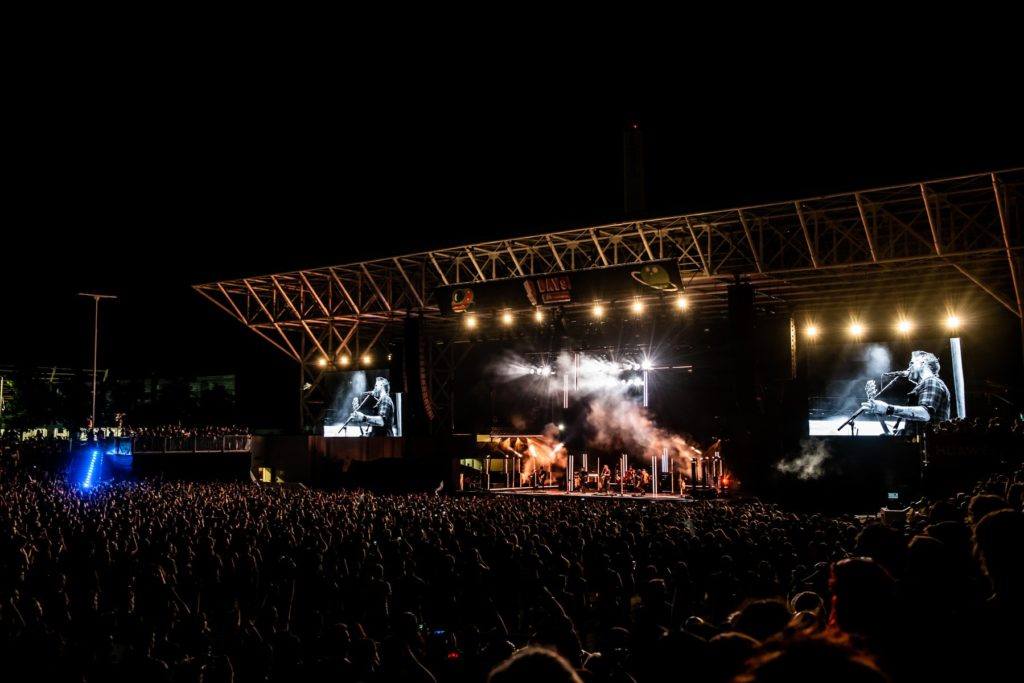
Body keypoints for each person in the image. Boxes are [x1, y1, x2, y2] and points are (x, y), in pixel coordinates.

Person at [861, 350, 950, 434]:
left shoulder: (931, 381)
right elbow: (889, 433)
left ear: (922, 362)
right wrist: (875, 406)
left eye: (911, 363)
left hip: (929, 446)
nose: (908, 367)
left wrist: (888, 409)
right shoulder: (923, 385)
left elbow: (925, 414)